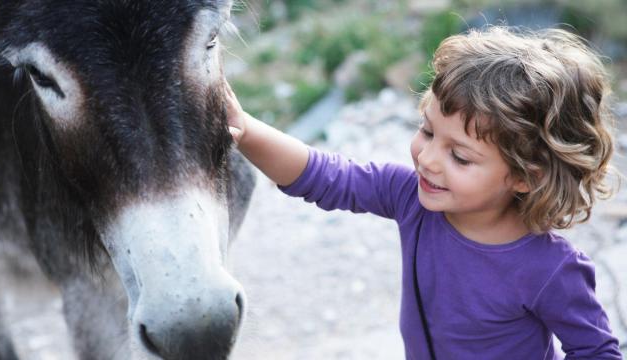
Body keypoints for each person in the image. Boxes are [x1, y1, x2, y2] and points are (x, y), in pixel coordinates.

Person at [224, 26, 623, 359]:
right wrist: (244, 129)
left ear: (526, 176)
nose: (428, 160)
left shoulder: (550, 268)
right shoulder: (411, 198)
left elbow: (597, 352)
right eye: (428, 131)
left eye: (460, 157)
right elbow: (325, 175)